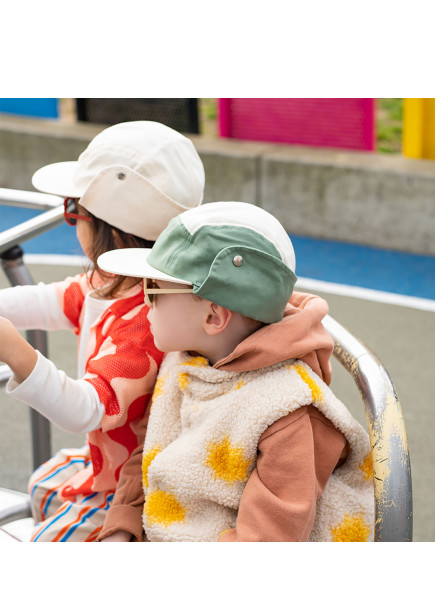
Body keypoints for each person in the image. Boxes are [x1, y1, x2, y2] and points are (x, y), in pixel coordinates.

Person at [97, 201, 375, 542]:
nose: (144, 303)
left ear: (213, 317)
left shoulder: (287, 411)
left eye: (152, 290)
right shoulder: (188, 359)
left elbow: (266, 541)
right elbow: (151, 449)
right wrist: (122, 525)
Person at [0, 120, 205, 541]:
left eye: (73, 210)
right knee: (43, 483)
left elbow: (87, 409)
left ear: (114, 231)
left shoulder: (148, 322)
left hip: (131, 488)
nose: (69, 221)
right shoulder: (109, 283)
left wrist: (13, 351)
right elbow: (47, 300)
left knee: (48, 536)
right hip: (106, 463)